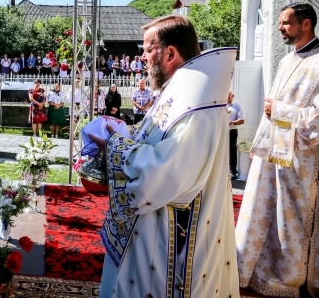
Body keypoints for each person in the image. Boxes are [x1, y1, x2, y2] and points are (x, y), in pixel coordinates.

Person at [91, 15, 238, 298]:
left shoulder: (197, 106)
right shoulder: (177, 91)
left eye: (147, 49)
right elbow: (157, 137)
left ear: (169, 52)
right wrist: (126, 132)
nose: (142, 57)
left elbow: (166, 171)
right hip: (152, 227)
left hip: (172, 242)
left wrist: (114, 145)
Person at [236, 3, 319, 297]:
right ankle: (253, 270)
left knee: (287, 218)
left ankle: (286, 279)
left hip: (301, 158)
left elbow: (316, 118)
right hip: (273, 152)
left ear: (306, 24)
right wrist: (260, 142)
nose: (280, 28)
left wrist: (280, 111)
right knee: (261, 212)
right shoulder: (286, 61)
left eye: (285, 23)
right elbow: (270, 110)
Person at [225, 90, 244, 180]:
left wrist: (231, 123)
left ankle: (233, 171)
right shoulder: (219, 106)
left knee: (231, 151)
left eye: (230, 95)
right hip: (220, 132)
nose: (228, 96)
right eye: (226, 94)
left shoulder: (236, 107)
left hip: (231, 131)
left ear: (233, 96)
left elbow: (242, 120)